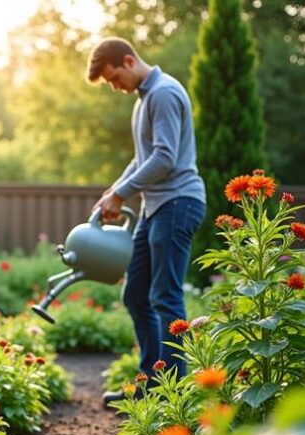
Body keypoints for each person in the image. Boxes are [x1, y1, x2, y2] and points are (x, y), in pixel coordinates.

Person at [86, 38, 206, 405]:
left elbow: (166, 158)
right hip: (155, 207)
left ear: (128, 60)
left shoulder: (164, 93)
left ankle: (172, 396)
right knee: (136, 293)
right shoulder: (143, 100)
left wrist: (123, 193)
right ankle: (152, 384)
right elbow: (143, 159)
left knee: (165, 296)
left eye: (114, 77)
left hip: (178, 203)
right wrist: (114, 191)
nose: (115, 86)